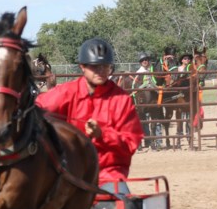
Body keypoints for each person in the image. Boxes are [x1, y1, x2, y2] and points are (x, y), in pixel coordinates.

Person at [35, 37, 144, 197]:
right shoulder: (66, 92)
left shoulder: (122, 100)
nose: (100, 71)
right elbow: (38, 107)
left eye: (105, 66)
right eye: (94, 67)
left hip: (107, 175)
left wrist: (103, 135)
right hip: (70, 174)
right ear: (82, 67)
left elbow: (131, 143)